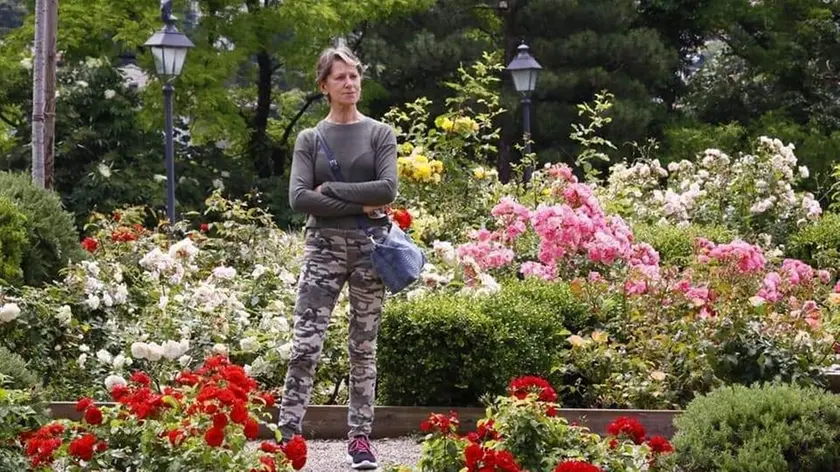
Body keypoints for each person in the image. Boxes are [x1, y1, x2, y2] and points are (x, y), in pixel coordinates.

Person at [278, 45, 397, 470]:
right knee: (305, 347)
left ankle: (360, 441)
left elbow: (387, 191)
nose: (350, 83)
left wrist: (329, 193)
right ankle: (286, 437)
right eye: (340, 77)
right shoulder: (310, 139)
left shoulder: (380, 133)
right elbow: (297, 198)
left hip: (370, 250)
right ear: (324, 86)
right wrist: (357, 202)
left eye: (354, 76)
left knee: (363, 348)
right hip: (322, 249)